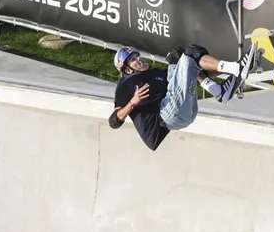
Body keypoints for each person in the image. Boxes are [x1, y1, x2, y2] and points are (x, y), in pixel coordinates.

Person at [108, 44, 256, 151]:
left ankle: (223, 87)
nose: (139, 60)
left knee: (178, 57)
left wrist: (227, 71)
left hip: (183, 112)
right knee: (190, 54)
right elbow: (113, 122)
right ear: (127, 69)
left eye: (137, 56)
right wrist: (132, 103)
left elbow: (192, 74)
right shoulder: (126, 84)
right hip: (167, 115)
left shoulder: (155, 73)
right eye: (133, 60)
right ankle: (235, 70)